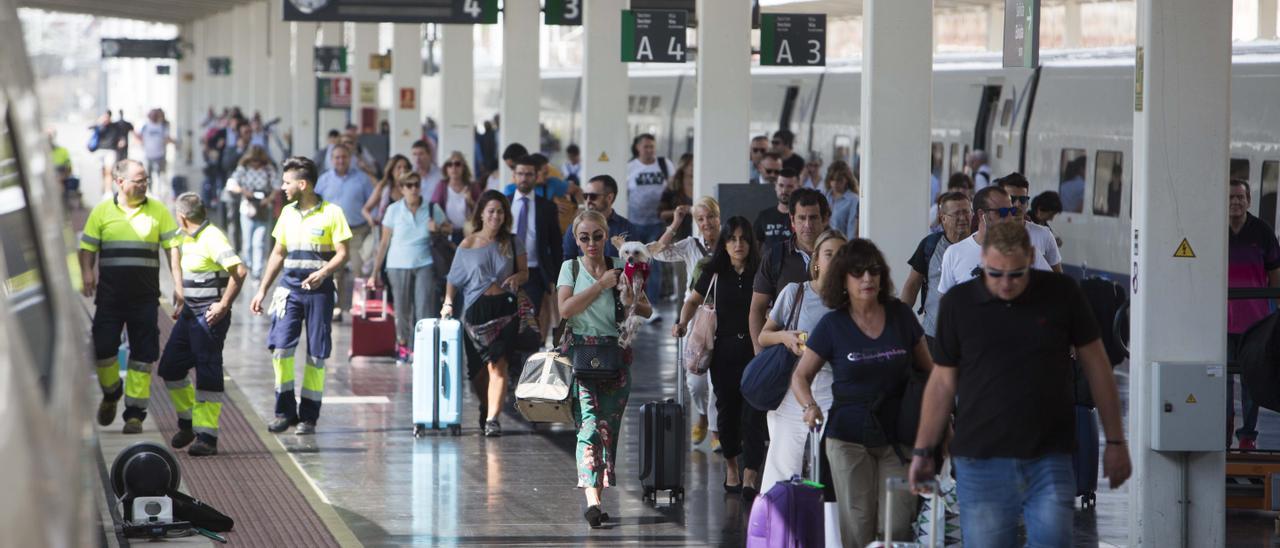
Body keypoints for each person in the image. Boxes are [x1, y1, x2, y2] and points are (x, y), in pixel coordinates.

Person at [909, 221, 1132, 547]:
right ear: (982, 260)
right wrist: (923, 450)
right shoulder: (959, 303)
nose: (1006, 284)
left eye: (1016, 274)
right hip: (980, 459)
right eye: (995, 273)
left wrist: (1115, 442)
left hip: (1049, 456)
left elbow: (1097, 366)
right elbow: (942, 383)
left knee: (1053, 541)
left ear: (1030, 256)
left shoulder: (1062, 294)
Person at [793, 238, 933, 546]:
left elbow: (931, 372)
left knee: (897, 525)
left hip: (898, 434)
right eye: (858, 273)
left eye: (873, 271)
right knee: (858, 526)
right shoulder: (832, 325)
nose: (867, 279)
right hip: (847, 437)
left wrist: (941, 420)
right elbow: (801, 376)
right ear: (843, 279)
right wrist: (809, 407)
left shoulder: (900, 316)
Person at [558, 209, 652, 527]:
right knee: (588, 426)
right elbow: (565, 308)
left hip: (615, 356)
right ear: (576, 239)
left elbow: (647, 308)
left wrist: (629, 296)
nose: (592, 243)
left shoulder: (620, 266)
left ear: (606, 235)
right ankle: (592, 501)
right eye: (584, 237)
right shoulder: (569, 268)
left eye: (597, 236)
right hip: (581, 353)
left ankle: (598, 496)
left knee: (608, 429)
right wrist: (600, 286)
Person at [80, 159, 184, 434]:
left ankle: (135, 414)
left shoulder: (158, 210)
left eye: (145, 179)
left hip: (144, 298)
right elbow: (87, 247)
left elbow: (172, 248)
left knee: (143, 355)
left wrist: (178, 284)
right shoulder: (102, 212)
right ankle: (112, 391)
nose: (144, 184)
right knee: (102, 349)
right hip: (110, 297)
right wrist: (87, 273)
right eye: (138, 180)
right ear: (120, 182)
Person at [249, 156, 352, 436]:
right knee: (281, 349)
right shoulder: (286, 213)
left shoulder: (332, 213)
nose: (282, 187)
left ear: (302, 184)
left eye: (286, 182)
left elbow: (343, 253)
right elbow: (278, 253)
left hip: (319, 294)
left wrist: (324, 272)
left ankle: (308, 416)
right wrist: (262, 289)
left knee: (317, 355)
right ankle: (284, 411)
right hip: (289, 291)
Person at [674, 216, 762, 498]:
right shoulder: (714, 272)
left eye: (743, 239)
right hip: (723, 351)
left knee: (754, 413)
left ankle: (751, 474)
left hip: (756, 350)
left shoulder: (760, 272)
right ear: (724, 243)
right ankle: (732, 467)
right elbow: (692, 301)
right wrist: (682, 323)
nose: (738, 244)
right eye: (732, 239)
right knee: (727, 410)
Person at [160, 193, 247, 456]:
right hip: (189, 313)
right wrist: (178, 288)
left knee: (207, 370)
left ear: (182, 216)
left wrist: (223, 305)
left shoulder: (212, 238)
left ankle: (207, 437)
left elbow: (239, 271)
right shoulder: (184, 234)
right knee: (170, 368)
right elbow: (174, 252)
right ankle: (188, 423)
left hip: (209, 314)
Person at [758, 229, 846, 489]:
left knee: (834, 464)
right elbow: (765, 336)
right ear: (816, 260)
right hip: (792, 387)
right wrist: (785, 337)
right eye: (830, 254)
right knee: (782, 464)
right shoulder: (795, 293)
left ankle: (828, 525)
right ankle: (777, 522)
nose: (836, 260)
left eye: (842, 255)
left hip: (834, 389)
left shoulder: (851, 300)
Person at [441, 190, 527, 437]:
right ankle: (485, 404)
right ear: (481, 213)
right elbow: (453, 279)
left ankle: (492, 419)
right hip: (475, 311)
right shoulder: (467, 244)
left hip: (505, 308)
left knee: (498, 366)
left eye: (500, 211)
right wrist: (448, 303)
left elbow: (525, 273)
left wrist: (516, 277)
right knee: (477, 372)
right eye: (491, 211)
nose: (496, 216)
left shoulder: (512, 242)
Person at [654, 197, 723, 447]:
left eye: (710, 217)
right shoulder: (691, 245)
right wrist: (675, 223)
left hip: (722, 316)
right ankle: (702, 415)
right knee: (695, 380)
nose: (706, 223)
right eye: (700, 219)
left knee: (718, 381)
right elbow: (658, 252)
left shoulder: (730, 244)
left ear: (718, 216)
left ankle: (716, 431)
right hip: (694, 316)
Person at [1228, 178, 1280, 451]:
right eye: (1230, 197)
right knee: (1220, 380)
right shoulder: (1213, 229)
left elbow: (1275, 276)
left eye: (1240, 197)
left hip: (1254, 324)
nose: (1235, 202)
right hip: (1221, 324)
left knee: (1252, 382)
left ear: (1249, 200)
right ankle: (1223, 433)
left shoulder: (1262, 232)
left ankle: (1247, 437)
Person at [750, 188, 832, 353]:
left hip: (831, 357)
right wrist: (760, 356)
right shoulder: (775, 257)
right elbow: (757, 309)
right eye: (802, 218)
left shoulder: (841, 256)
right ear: (792, 220)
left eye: (814, 218)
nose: (807, 225)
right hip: (787, 358)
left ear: (824, 219)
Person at [368, 172, 438, 363]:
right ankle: (403, 344)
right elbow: (383, 243)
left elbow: (447, 227)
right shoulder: (393, 210)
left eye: (416, 184)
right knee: (402, 308)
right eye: (409, 185)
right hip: (397, 265)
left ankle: (421, 346)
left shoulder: (431, 208)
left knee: (424, 306)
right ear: (402, 189)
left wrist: (438, 228)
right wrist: (374, 272)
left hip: (424, 262)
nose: (413, 189)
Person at [937, 186, 1053, 296]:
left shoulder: (1026, 251)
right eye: (1002, 212)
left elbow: (1053, 291)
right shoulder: (954, 253)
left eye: (1011, 211)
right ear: (982, 215)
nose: (1009, 218)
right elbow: (947, 303)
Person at [901, 191, 974, 355]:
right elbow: (912, 285)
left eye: (966, 211)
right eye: (957, 213)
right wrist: (900, 322)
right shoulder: (930, 245)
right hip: (933, 335)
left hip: (971, 336)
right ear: (943, 219)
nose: (963, 218)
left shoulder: (981, 246)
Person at [506, 155, 565, 343]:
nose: (524, 178)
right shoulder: (503, 204)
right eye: (520, 174)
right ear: (514, 176)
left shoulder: (546, 207)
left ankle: (529, 356)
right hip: (506, 269)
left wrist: (557, 276)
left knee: (532, 317)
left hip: (535, 271)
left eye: (529, 174)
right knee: (508, 316)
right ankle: (511, 358)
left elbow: (555, 243)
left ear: (536, 176)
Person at [315, 143, 375, 321]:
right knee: (335, 273)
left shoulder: (362, 179)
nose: (341, 160)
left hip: (356, 231)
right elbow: (316, 205)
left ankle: (359, 307)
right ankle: (337, 308)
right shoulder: (324, 179)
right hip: (331, 233)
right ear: (332, 160)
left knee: (359, 269)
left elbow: (371, 203)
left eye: (344, 157)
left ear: (350, 159)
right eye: (337, 157)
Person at [627, 133, 673, 320]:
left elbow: (672, 187)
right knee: (632, 265)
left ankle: (651, 306)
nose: (649, 150)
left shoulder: (665, 165)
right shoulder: (630, 167)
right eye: (645, 146)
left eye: (652, 146)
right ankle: (633, 304)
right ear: (637, 148)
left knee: (653, 265)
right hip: (635, 223)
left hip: (657, 223)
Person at [224, 145, 278, 279]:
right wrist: (243, 191)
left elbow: (277, 186)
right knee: (247, 242)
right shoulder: (243, 169)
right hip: (247, 207)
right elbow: (231, 184)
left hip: (263, 208)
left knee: (259, 242)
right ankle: (248, 265)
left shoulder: (268, 170)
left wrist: (269, 198)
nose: (255, 165)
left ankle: (257, 272)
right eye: (253, 161)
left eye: (258, 162)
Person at [996, 172, 1063, 272]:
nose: (1017, 204)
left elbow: (1059, 279)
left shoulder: (1045, 235)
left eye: (1023, 199)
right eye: (1012, 199)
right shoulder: (987, 236)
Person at [563, 175, 635, 259]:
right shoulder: (575, 227)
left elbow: (636, 262)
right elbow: (568, 261)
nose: (588, 201)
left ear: (609, 197)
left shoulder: (627, 228)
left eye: (593, 196)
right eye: (585, 196)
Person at [430, 151, 483, 243]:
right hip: (448, 234)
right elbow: (434, 209)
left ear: (463, 167)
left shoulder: (473, 186)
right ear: (446, 168)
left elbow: (483, 211)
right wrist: (443, 225)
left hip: (469, 234)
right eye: (450, 164)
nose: (453, 168)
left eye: (457, 164)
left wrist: (470, 202)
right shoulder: (442, 186)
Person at [754, 167, 802, 251]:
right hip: (769, 263)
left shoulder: (803, 217)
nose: (784, 190)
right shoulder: (764, 216)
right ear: (775, 186)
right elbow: (754, 247)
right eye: (781, 185)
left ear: (798, 188)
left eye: (790, 186)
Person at [362, 153, 413, 229]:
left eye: (405, 167)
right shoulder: (383, 187)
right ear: (392, 171)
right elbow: (365, 209)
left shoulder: (413, 187)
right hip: (385, 231)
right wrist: (371, 220)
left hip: (405, 231)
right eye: (399, 167)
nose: (403, 170)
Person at [135, 109, 174, 200]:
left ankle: (159, 193)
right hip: (148, 155)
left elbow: (167, 138)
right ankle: (150, 192)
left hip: (159, 155)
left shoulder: (163, 126)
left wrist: (174, 142)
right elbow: (139, 136)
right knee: (148, 175)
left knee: (159, 174)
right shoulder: (145, 126)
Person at [660, 153, 695, 245]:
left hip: (697, 233)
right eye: (691, 165)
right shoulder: (673, 187)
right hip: (677, 236)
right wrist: (682, 211)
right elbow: (661, 214)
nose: (694, 167)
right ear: (684, 166)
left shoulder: (702, 184)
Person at [824, 160, 860, 239]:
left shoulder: (853, 200)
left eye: (839, 180)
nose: (835, 183)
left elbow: (852, 228)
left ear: (847, 179)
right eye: (832, 179)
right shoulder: (826, 196)